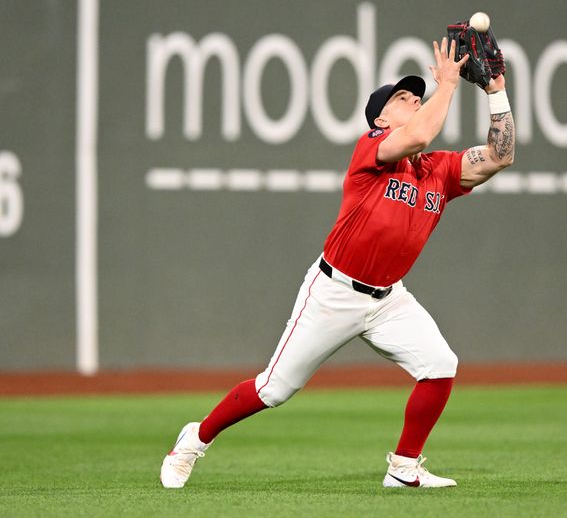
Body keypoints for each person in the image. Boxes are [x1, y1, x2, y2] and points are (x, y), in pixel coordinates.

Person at [160, 37, 515, 489]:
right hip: (334, 291)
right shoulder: (372, 148)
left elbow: (501, 156)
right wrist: (446, 83)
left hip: (389, 299)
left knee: (441, 364)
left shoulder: (437, 170)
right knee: (274, 388)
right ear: (381, 118)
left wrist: (495, 90)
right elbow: (420, 133)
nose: (415, 101)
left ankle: (403, 467)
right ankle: (193, 440)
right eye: (404, 98)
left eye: (416, 96)